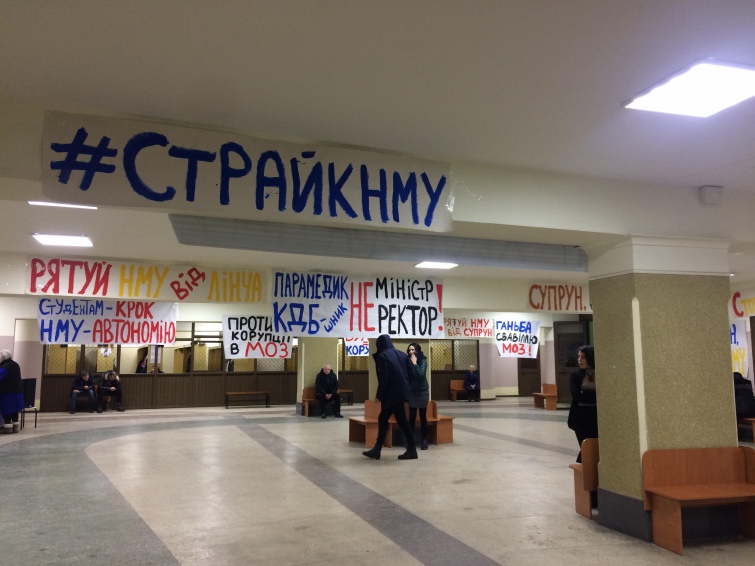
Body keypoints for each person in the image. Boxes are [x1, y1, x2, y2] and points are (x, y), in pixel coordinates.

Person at [363, 335, 418, 461]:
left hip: (391, 394)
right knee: (396, 420)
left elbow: (384, 377)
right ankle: (380, 449)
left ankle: (379, 450)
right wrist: (405, 385)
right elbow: (412, 373)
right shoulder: (402, 355)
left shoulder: (383, 356)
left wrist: (379, 395)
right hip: (401, 393)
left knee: (387, 419)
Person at [567, 345, 598, 463]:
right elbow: (577, 395)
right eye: (579, 357)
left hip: (596, 415)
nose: (580, 360)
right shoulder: (575, 375)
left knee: (595, 446)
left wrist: (585, 393)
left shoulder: (600, 372)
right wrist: (594, 395)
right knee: (586, 446)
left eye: (583, 357)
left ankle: (591, 470)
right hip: (580, 417)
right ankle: (585, 469)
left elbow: (604, 394)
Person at [407, 343, 429, 450]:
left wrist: (415, 364)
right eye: (409, 350)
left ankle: (425, 440)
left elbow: (420, 375)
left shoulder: (423, 360)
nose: (411, 352)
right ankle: (410, 442)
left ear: (418, 350)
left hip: (422, 392)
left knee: (423, 417)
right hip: (412, 392)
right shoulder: (407, 360)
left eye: (413, 350)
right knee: (412, 417)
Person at [0, 350, 24, 434]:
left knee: (7, 410)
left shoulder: (6, 366)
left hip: (7, 392)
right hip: (17, 391)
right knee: (15, 410)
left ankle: (8, 429)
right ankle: (15, 428)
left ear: (3, 358)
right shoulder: (15, 364)